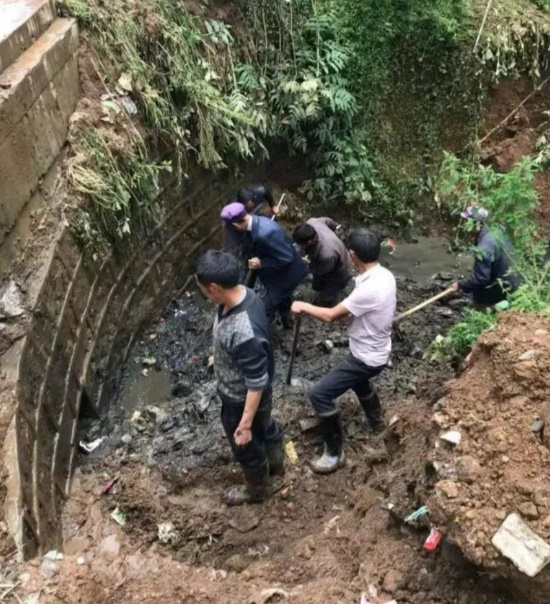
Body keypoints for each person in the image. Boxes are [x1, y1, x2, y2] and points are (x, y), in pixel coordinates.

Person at [291, 228, 396, 474]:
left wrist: (303, 306)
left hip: (367, 358)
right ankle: (377, 421)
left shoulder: (369, 288)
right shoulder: (385, 275)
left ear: (353, 255)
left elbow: (329, 315)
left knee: (319, 393)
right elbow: (365, 308)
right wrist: (352, 317)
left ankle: (334, 454)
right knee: (359, 382)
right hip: (376, 349)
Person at [195, 250, 284, 505]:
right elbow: (243, 351)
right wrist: (221, 356)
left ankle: (256, 491)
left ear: (214, 288)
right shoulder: (245, 294)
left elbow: (256, 381)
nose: (203, 294)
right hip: (255, 392)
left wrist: (243, 426)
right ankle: (276, 463)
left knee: (246, 446)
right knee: (265, 426)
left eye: (202, 289)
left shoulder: (243, 330)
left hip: (241, 398)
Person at [220, 202, 309, 328]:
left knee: (262, 312)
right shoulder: (254, 225)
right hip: (278, 273)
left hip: (286, 276)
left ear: (235, 225)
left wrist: (262, 263)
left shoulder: (267, 233)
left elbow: (286, 258)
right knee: (283, 299)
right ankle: (288, 322)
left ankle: (259, 336)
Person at [450, 206, 521, 306]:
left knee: (476, 294)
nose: (465, 226)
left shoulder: (483, 248)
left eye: (468, 222)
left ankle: (484, 307)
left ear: (478, 224)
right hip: (518, 282)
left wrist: (460, 284)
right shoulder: (499, 231)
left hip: (505, 290)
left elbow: (481, 279)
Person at [292, 217, 353, 307]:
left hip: (341, 270)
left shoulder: (326, 254)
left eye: (302, 245)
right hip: (332, 257)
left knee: (328, 292)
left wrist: (307, 266)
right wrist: (333, 229)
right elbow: (329, 221)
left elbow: (320, 271)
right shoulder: (313, 222)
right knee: (318, 285)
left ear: (309, 242)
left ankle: (325, 304)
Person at [223, 184, 279, 262]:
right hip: (238, 228)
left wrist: (273, 205)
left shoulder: (258, 192)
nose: (251, 206)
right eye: (248, 206)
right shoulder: (233, 210)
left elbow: (266, 191)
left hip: (254, 217)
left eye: (252, 203)